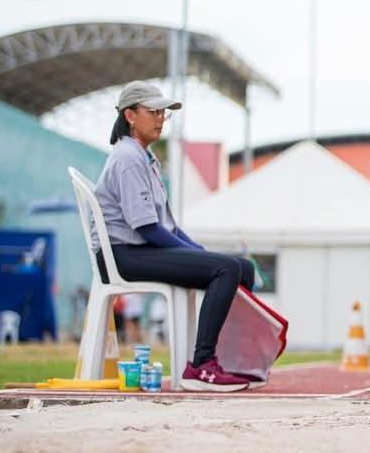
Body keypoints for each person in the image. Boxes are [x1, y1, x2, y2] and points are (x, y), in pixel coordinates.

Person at [93, 81, 255, 392]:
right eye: (153, 111)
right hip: (123, 255)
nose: (160, 118)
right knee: (226, 268)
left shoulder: (145, 158)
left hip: (140, 249)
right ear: (129, 115)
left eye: (163, 113)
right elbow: (148, 229)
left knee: (240, 267)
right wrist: (206, 258)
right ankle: (202, 366)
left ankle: (234, 358)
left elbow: (169, 228)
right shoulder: (127, 158)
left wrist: (200, 252)